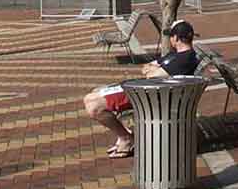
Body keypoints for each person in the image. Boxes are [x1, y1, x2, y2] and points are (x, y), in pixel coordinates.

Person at [84, 20, 200, 158]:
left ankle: (126, 138)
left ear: (176, 38)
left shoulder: (185, 58)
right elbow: (146, 67)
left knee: (93, 106)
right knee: (92, 95)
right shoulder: (175, 55)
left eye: (171, 36)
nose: (170, 40)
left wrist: (153, 69)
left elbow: (151, 75)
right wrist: (154, 69)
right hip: (143, 89)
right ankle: (124, 136)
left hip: (147, 95)